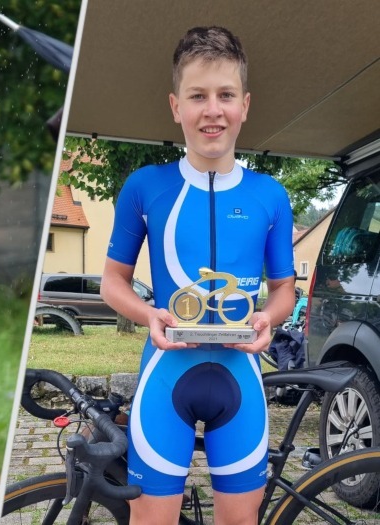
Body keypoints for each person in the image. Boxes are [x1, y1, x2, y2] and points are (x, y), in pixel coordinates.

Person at [100, 27, 295, 525]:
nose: (213, 110)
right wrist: (149, 314)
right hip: (165, 379)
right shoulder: (146, 187)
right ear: (175, 105)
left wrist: (268, 319)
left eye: (226, 95)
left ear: (245, 104)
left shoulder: (270, 196)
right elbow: (112, 283)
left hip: (242, 379)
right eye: (198, 96)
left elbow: (284, 290)